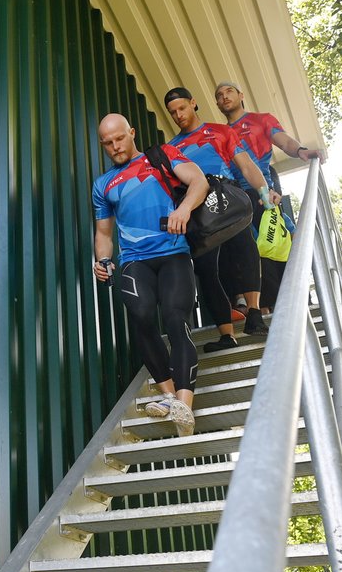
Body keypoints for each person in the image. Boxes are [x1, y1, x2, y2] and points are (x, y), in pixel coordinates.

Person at [92, 113, 209, 436]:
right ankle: (169, 396)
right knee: (141, 316)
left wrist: (183, 209)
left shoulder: (161, 156)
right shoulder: (103, 185)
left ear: (131, 133)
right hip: (134, 260)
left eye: (119, 138)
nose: (115, 147)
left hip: (174, 253)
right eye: (108, 143)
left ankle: (184, 403)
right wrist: (103, 260)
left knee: (174, 318)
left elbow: (199, 181)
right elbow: (103, 233)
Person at [163, 87, 274, 348]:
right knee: (205, 269)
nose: (178, 115)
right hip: (198, 209)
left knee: (245, 247)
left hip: (226, 197)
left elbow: (247, 165)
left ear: (193, 103)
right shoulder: (171, 147)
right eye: (172, 112)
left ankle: (255, 314)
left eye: (182, 108)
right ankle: (227, 335)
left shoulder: (221, 131)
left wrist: (264, 194)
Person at [214, 80, 325, 311]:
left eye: (229, 92)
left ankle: (296, 301)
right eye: (219, 95)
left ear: (241, 95)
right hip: (235, 198)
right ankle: (259, 306)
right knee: (248, 251)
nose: (224, 97)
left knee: (278, 243)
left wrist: (302, 151)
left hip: (265, 192)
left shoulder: (261, 119)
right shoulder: (220, 133)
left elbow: (284, 141)